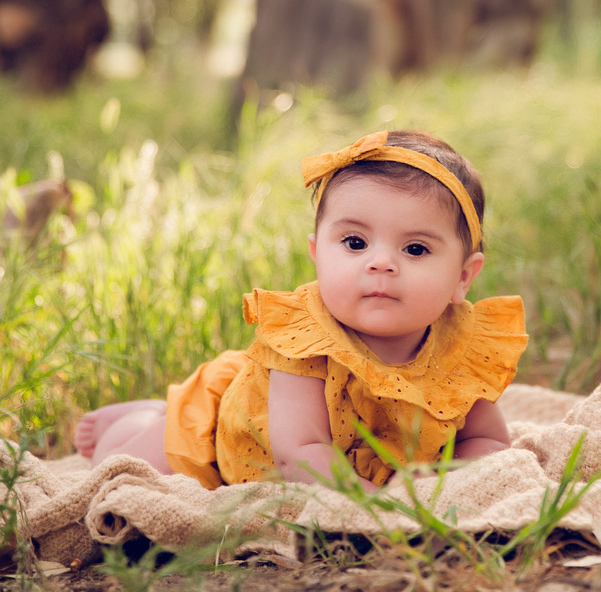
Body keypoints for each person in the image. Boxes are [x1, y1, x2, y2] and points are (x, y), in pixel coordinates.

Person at [73, 129, 529, 490]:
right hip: (231, 439)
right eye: (355, 242)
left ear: (463, 277)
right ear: (317, 252)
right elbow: (302, 453)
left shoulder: (461, 349)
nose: (380, 262)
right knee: (126, 466)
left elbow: (486, 439)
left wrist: (451, 484)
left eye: (414, 249)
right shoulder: (304, 342)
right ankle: (145, 417)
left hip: (307, 436)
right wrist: (379, 507)